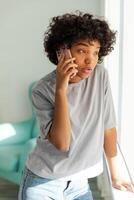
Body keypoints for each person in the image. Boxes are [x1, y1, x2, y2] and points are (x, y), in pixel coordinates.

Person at [18, 11, 133, 200]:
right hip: (42, 182)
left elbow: (108, 127)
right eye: (82, 51)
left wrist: (115, 175)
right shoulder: (42, 89)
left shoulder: (100, 76)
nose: (90, 60)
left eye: (95, 52)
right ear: (62, 51)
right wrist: (61, 89)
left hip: (79, 184)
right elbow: (62, 143)